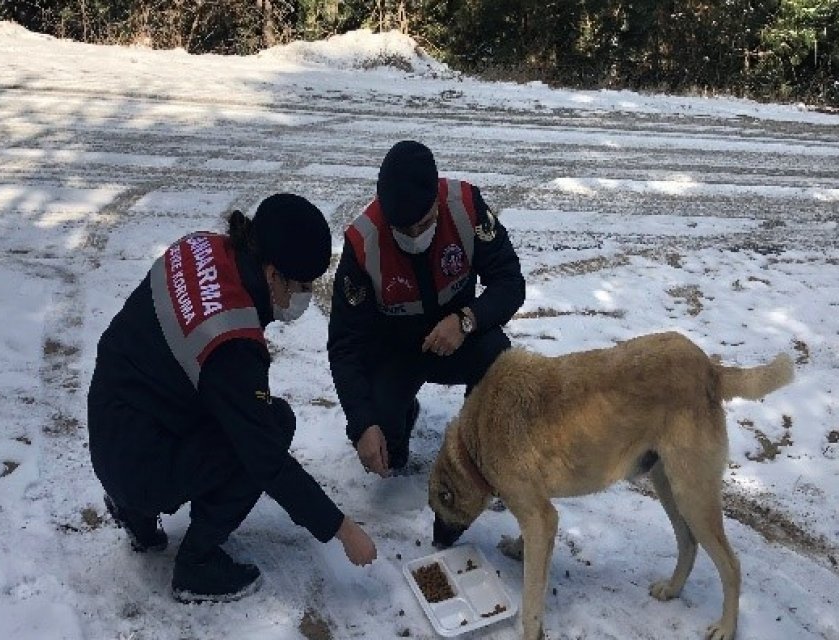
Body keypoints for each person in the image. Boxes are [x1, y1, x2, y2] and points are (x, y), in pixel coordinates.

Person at [87, 194, 377, 604]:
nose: (305, 296)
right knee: (273, 425)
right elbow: (265, 458)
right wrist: (342, 529)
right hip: (138, 462)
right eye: (302, 286)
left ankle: (134, 512)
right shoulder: (231, 341)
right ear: (273, 274)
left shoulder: (202, 247)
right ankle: (197, 564)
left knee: (219, 409)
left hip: (110, 428)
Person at [328, 140, 526, 477]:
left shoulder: (465, 206)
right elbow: (344, 343)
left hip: (461, 339)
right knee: (385, 451)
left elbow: (510, 282)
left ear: (436, 198)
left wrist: (467, 321)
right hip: (397, 353)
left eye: (423, 223)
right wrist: (362, 424)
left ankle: (479, 447)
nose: (415, 235)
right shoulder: (364, 242)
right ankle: (401, 415)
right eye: (403, 230)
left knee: (499, 359)